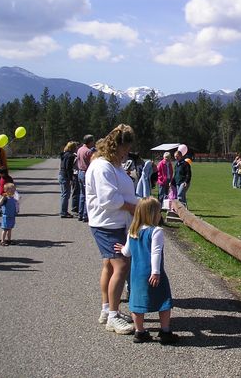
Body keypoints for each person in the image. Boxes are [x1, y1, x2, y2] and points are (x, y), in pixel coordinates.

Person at [86, 124, 138, 335]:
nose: (127, 152)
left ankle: (107, 310)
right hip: (108, 223)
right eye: (125, 148)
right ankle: (114, 317)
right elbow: (109, 199)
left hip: (114, 221)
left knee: (109, 265)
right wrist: (136, 208)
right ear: (116, 146)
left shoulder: (113, 165)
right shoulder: (102, 167)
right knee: (122, 265)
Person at [115, 197, 178, 344]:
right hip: (152, 272)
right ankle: (165, 331)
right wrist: (155, 271)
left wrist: (122, 249)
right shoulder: (156, 231)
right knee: (163, 301)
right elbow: (155, 252)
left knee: (137, 302)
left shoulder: (133, 230)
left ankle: (140, 331)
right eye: (159, 212)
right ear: (153, 214)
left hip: (136, 274)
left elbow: (127, 252)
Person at [76, 135, 95, 222]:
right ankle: (85, 215)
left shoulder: (79, 149)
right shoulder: (88, 151)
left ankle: (80, 214)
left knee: (82, 194)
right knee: (87, 195)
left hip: (80, 172)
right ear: (89, 142)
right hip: (86, 172)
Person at [59, 141, 77, 218]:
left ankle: (63, 211)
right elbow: (68, 168)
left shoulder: (64, 154)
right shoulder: (70, 156)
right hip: (65, 176)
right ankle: (63, 212)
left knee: (64, 194)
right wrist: (70, 179)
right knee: (66, 195)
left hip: (61, 175)